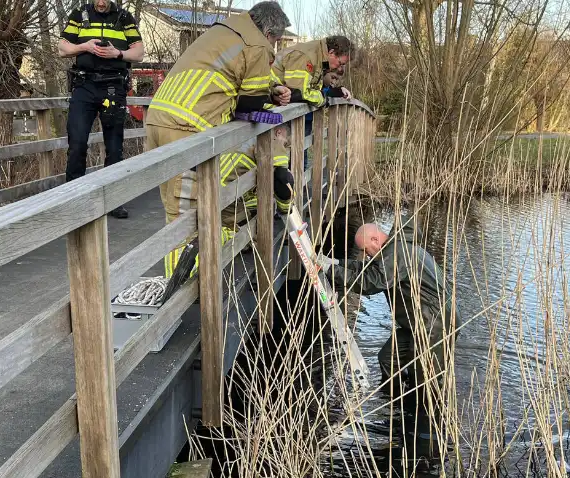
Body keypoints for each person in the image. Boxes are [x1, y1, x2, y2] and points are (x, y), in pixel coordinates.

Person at [143, 1, 294, 276]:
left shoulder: (224, 31)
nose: (273, 47)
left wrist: (270, 88)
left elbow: (232, 75)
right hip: (187, 128)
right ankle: (181, 302)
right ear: (269, 32)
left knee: (173, 211)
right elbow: (249, 105)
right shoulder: (257, 44)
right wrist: (269, 97)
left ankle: (184, 288)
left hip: (159, 117)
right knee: (186, 221)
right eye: (275, 40)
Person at [320, 222, 459, 477]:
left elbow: (373, 281)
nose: (367, 255)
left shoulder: (399, 253)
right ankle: (397, 406)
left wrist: (332, 275)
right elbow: (366, 270)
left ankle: (426, 437)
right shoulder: (391, 251)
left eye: (366, 250)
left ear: (374, 240)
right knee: (389, 359)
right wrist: (333, 265)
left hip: (435, 323)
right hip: (415, 321)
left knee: (427, 381)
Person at [58, 0, 144, 219]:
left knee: (114, 146)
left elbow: (139, 53)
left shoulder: (124, 18)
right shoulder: (79, 14)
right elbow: (62, 48)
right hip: (84, 86)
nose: (101, 3)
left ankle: (114, 200)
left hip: (113, 86)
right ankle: (74, 200)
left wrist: (118, 54)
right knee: (77, 143)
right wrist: (84, 47)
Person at [271, 35, 354, 107]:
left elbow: (312, 89)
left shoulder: (320, 57)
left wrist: (336, 92)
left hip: (278, 105)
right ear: (332, 52)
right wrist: (323, 99)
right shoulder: (306, 57)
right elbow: (298, 93)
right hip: (269, 106)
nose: (339, 67)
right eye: (340, 63)